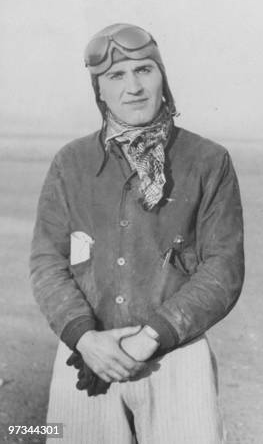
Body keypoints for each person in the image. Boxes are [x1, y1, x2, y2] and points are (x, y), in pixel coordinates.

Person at [30, 23, 244, 443]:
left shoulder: (208, 160)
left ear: (163, 77)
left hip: (176, 357)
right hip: (88, 356)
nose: (134, 87)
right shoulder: (70, 163)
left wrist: (150, 338)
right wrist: (83, 336)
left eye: (144, 70)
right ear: (99, 90)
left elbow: (224, 269)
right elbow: (46, 262)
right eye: (116, 76)